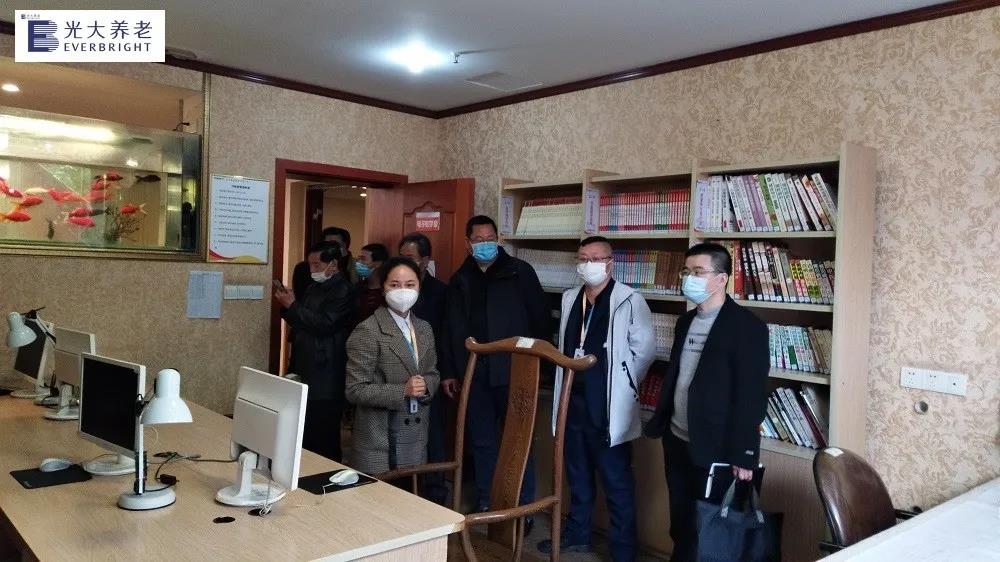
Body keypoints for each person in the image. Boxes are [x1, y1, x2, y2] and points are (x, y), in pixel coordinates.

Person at [644, 242, 770, 562]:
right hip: (677, 438)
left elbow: (751, 395)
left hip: (717, 446)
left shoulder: (747, 327)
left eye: (698, 272)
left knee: (709, 527)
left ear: (721, 278)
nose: (689, 278)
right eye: (686, 272)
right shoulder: (685, 322)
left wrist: (745, 453)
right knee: (680, 522)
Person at [538, 236, 655, 560]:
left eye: (596, 258)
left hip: (607, 404)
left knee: (616, 480)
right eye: (583, 258)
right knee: (577, 475)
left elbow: (644, 351)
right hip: (572, 401)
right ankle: (577, 535)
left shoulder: (629, 299)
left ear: (610, 263)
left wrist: (623, 383)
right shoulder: (570, 298)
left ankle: (623, 549)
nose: (588, 264)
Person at [443, 215, 550, 523]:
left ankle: (522, 507)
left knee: (518, 439)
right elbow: (450, 329)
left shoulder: (520, 272)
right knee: (483, 441)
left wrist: (540, 366)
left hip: (515, 369)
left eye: (490, 239)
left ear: (498, 239)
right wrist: (450, 370)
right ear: (468, 243)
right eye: (478, 240)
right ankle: (488, 503)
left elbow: (540, 319)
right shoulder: (460, 279)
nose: (485, 244)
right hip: (474, 372)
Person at [345, 257, 441, 476]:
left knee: (411, 492)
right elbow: (354, 390)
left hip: (416, 437)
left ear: (419, 287)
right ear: (383, 288)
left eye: (410, 284)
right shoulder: (368, 330)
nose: (403, 291)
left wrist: (426, 385)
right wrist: (402, 391)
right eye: (395, 285)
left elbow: (433, 373)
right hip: (380, 441)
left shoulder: (424, 328)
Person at [275, 240, 357, 462]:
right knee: (307, 429)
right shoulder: (314, 286)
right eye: (310, 264)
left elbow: (324, 324)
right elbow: (304, 320)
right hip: (306, 363)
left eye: (317, 265)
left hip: (327, 369)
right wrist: (289, 305)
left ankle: (327, 472)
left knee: (324, 432)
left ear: (333, 264)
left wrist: (293, 306)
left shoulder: (343, 289)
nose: (312, 270)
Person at [399, 232, 449, 504]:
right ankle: (404, 486)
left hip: (430, 373)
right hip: (399, 374)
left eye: (410, 257)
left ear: (425, 260)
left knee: (433, 434)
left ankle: (435, 491)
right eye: (401, 257)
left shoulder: (440, 292)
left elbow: (447, 334)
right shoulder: (395, 290)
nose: (404, 262)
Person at [292, 226, 358, 301]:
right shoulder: (303, 268)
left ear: (345, 246)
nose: (331, 249)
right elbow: (301, 298)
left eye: (336, 245)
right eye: (328, 245)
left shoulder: (355, 266)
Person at [354, 243, 389, 324]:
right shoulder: (358, 287)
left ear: (378, 263)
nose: (358, 262)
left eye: (363, 259)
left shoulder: (386, 292)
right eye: (358, 259)